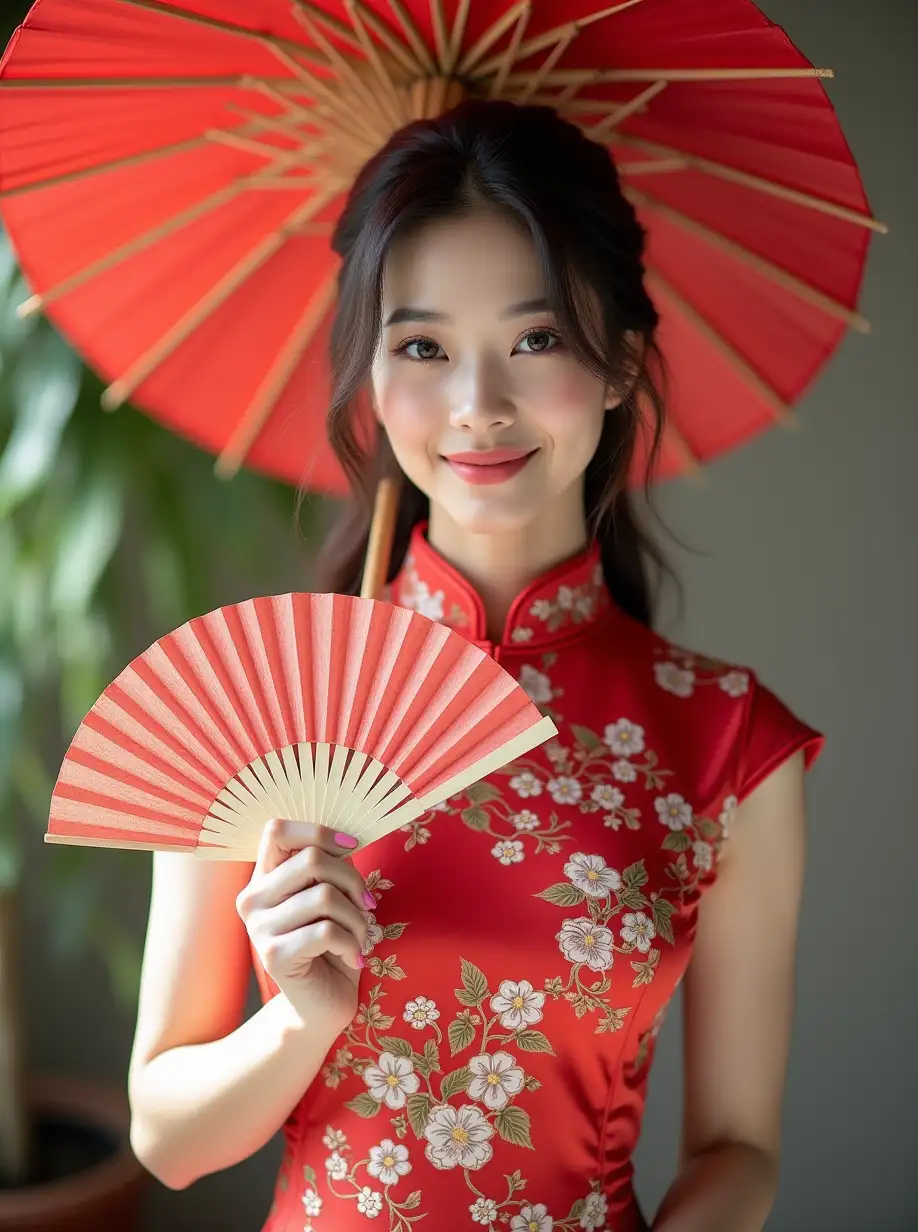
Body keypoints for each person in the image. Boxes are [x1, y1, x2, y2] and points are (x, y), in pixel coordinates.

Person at [126, 100, 823, 1231]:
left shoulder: (729, 741)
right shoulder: (254, 698)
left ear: (619, 364)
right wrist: (296, 1020)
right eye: (422, 346)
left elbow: (738, 1144)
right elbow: (166, 1138)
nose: (477, 406)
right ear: (370, 377)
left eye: (535, 338)